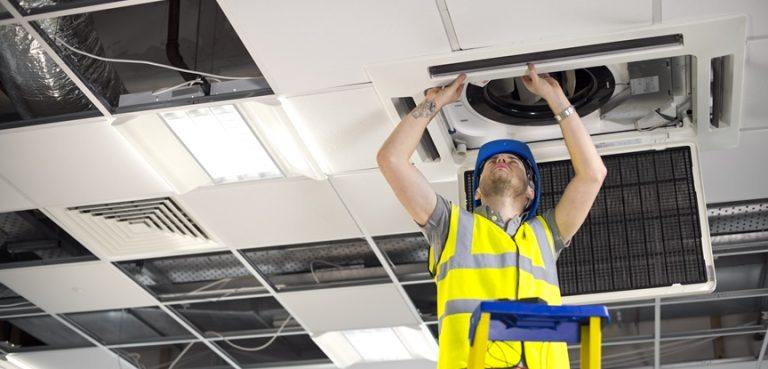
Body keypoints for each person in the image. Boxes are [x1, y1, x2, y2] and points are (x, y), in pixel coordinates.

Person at [377, 64, 607, 369]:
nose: (501, 160)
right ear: (477, 194)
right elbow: (391, 160)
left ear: (530, 192)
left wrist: (556, 98)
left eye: (513, 161)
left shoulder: (546, 235)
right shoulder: (450, 226)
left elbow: (593, 174)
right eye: (493, 162)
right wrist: (433, 103)